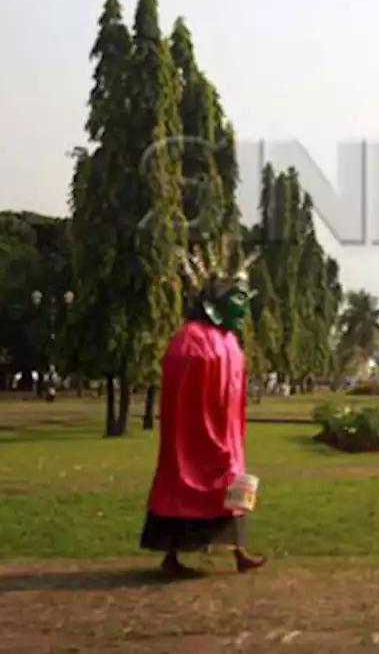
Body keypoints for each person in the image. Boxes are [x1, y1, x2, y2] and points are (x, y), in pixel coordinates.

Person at [140, 243, 267, 577]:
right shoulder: (191, 338)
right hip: (195, 436)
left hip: (226, 434)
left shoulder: (228, 342)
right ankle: (171, 556)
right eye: (237, 299)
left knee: (233, 486)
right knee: (183, 489)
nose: (243, 309)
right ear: (215, 303)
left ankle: (239, 552)